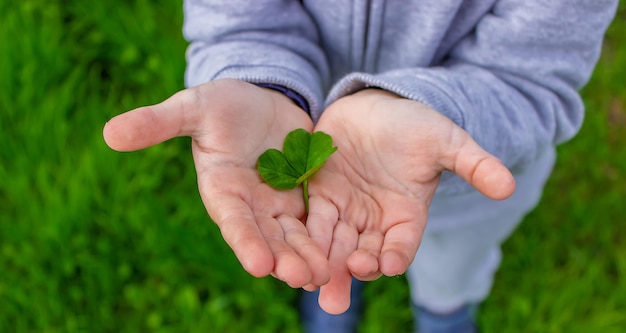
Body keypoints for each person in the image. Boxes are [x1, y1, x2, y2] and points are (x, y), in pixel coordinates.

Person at [103, 1, 618, 332]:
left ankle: (445, 308)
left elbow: (530, 77)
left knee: (454, 261)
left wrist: (432, 108)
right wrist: (256, 81)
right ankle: (341, 293)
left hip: (472, 164)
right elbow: (240, 19)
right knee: (335, 243)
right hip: (313, 136)